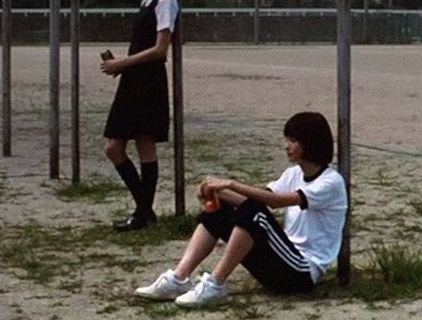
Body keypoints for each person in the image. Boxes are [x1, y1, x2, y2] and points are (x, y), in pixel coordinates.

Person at [135, 112, 348, 308]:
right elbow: (253, 199)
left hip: (301, 271)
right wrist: (216, 192)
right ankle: (179, 278)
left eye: (293, 141)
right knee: (221, 210)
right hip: (280, 260)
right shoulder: (293, 174)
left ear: (310, 144)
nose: (287, 146)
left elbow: (273, 202)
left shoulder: (331, 182)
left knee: (252, 211)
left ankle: (215, 284)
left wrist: (230, 184)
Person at [100, 0, 180, 232]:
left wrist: (124, 63)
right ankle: (144, 210)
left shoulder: (166, 0)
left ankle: (143, 212)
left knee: (144, 144)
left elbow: (160, 50)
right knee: (114, 146)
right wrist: (123, 66)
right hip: (134, 78)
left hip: (147, 79)